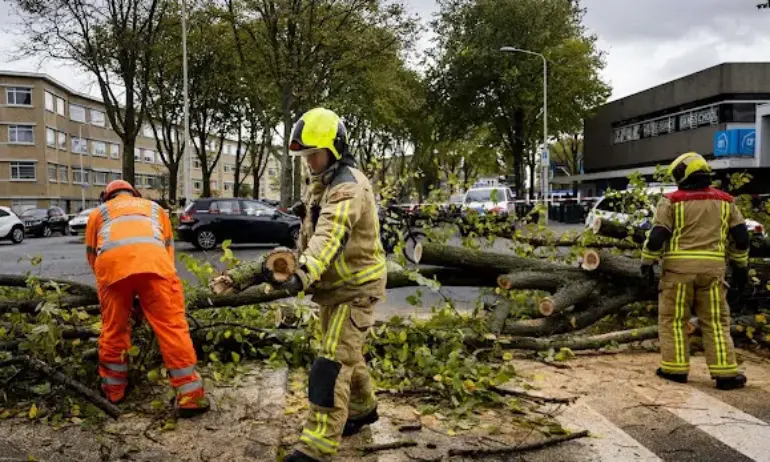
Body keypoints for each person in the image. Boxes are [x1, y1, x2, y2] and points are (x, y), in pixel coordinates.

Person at [282, 108, 386, 462]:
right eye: (306, 156)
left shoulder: (347, 187)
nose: (310, 162)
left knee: (330, 365)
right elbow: (312, 232)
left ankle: (316, 447)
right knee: (347, 354)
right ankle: (362, 409)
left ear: (335, 149)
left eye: (315, 154)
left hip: (356, 290)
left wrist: (303, 272)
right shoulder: (322, 184)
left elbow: (329, 236)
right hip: (335, 289)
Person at [85, 180, 209, 416]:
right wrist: (151, 293)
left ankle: (114, 392)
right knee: (172, 327)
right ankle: (190, 397)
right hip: (156, 267)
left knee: (114, 329)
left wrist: (113, 286)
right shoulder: (155, 209)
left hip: (112, 270)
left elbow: (93, 257)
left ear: (107, 197)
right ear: (134, 194)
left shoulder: (98, 214)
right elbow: (167, 250)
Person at [641, 152, 749, 390]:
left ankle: (675, 369)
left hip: (677, 273)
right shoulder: (726, 201)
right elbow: (741, 238)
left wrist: (647, 263)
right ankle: (725, 374)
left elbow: (657, 237)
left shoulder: (671, 201)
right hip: (713, 273)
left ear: (682, 175)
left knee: (673, 320)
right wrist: (741, 267)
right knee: (716, 322)